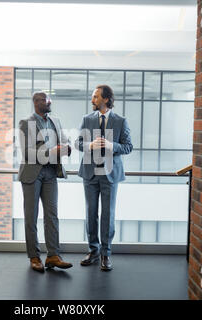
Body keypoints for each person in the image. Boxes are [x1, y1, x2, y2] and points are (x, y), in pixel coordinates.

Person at [75, 85, 133, 271]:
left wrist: (112, 145)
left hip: (110, 175)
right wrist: (89, 145)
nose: (92, 100)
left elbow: (128, 147)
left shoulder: (121, 121)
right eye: (92, 97)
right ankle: (93, 251)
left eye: (95, 97)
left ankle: (106, 254)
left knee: (108, 215)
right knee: (90, 213)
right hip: (90, 174)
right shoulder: (86, 119)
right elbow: (78, 143)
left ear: (106, 99)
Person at [18, 91, 73, 272]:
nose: (48, 102)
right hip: (32, 174)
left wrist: (67, 148)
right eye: (45, 99)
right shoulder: (26, 123)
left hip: (50, 173)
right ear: (36, 102)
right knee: (31, 217)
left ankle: (53, 255)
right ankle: (34, 257)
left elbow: (64, 142)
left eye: (49, 99)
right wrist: (52, 152)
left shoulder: (55, 121)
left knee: (52, 215)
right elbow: (27, 153)